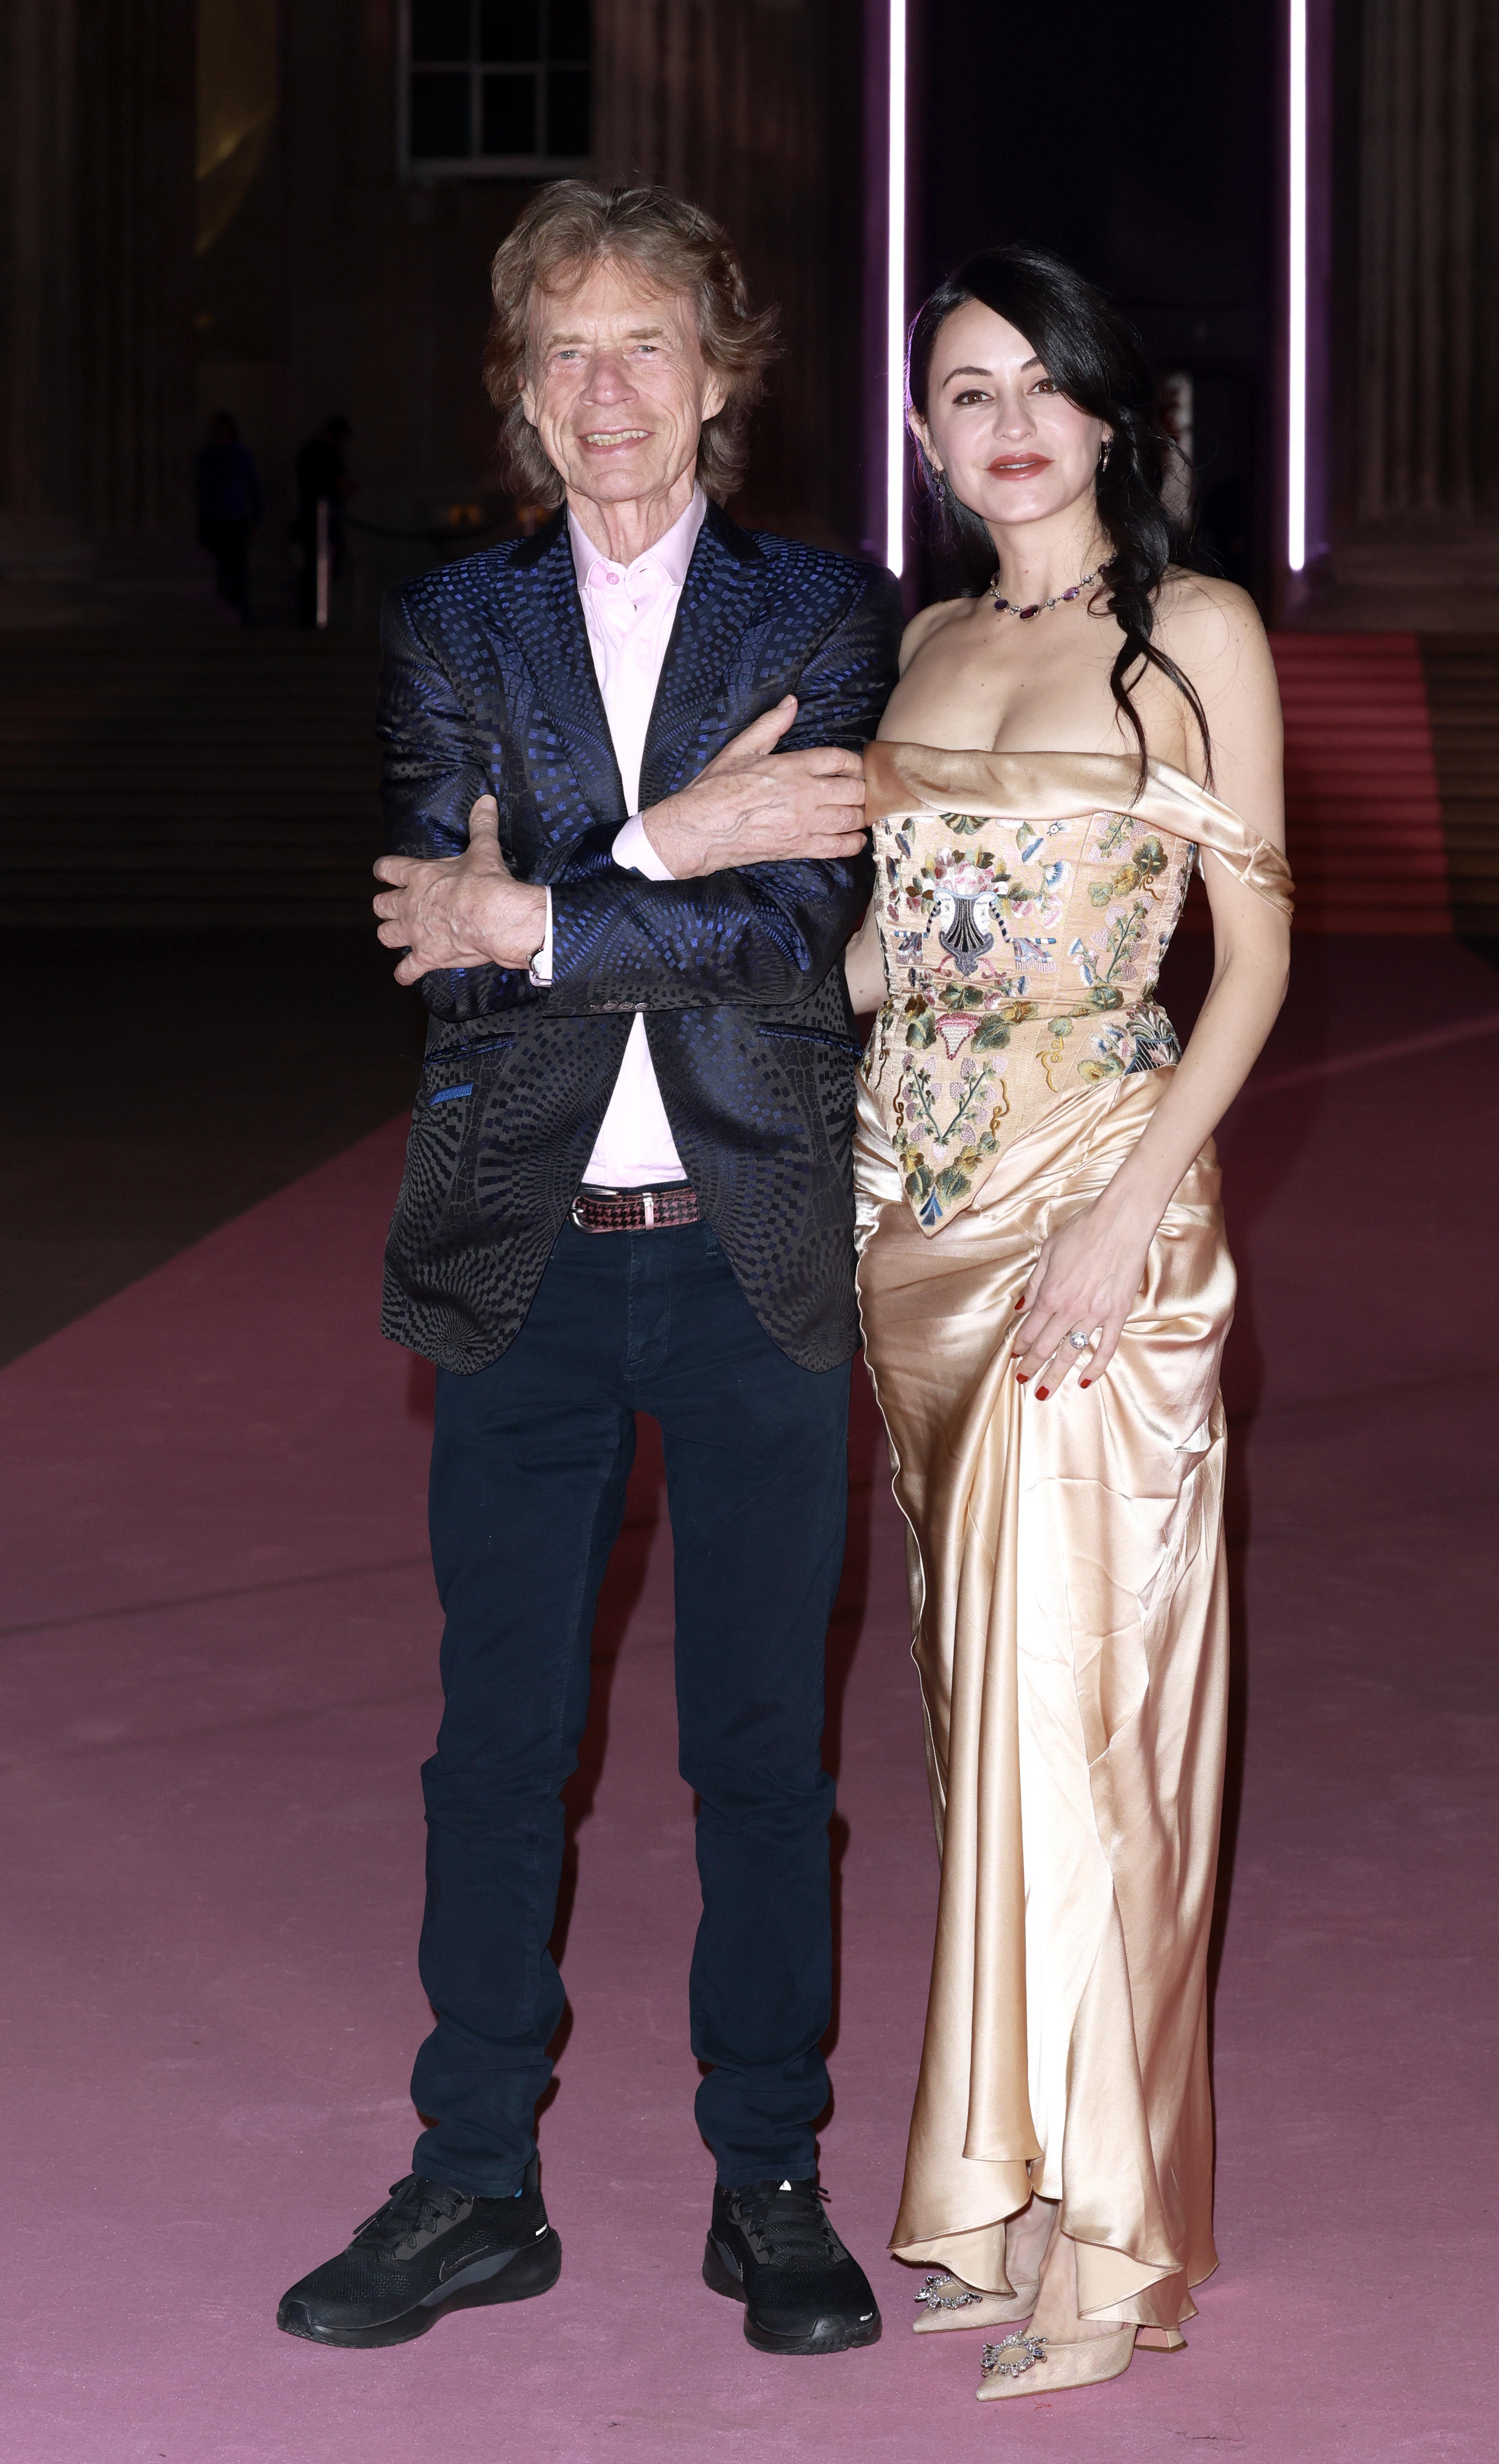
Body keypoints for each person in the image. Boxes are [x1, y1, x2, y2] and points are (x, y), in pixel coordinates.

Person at [274, 184, 901, 2356]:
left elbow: (795, 931)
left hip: (753, 1257)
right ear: (521, 395)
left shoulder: (821, 608)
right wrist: (660, 844)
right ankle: (473, 2180)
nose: (605, 387)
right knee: (494, 1744)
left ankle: (768, 2176)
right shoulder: (457, 626)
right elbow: (443, 959)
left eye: (645, 342)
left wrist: (547, 901)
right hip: (521, 1257)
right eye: (564, 349)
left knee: (759, 1747)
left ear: (720, 376)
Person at [843, 247, 1293, 2403]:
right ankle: (1000, 2178)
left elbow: (1253, 958)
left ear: (1110, 415)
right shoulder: (919, 643)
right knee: (975, 1716)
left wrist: (1125, 1212)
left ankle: (1110, 2237)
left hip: (1095, 1218)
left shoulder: (1191, 630)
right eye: (965, 390)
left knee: (1080, 1717)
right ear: (921, 434)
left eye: (1042, 383)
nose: (1007, 422)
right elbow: (880, 954)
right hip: (907, 1223)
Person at [195, 411, 262, 621]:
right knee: (219, 569)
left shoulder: (240, 455)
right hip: (213, 520)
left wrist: (256, 522)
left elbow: (254, 490)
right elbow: (201, 489)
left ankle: (241, 613)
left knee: (238, 570)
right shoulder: (207, 456)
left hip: (235, 520)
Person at [293, 414, 352, 625]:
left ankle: (310, 617)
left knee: (311, 567)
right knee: (321, 567)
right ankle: (316, 617)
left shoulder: (308, 453)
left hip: (308, 517)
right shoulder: (331, 456)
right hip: (324, 519)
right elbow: (340, 486)